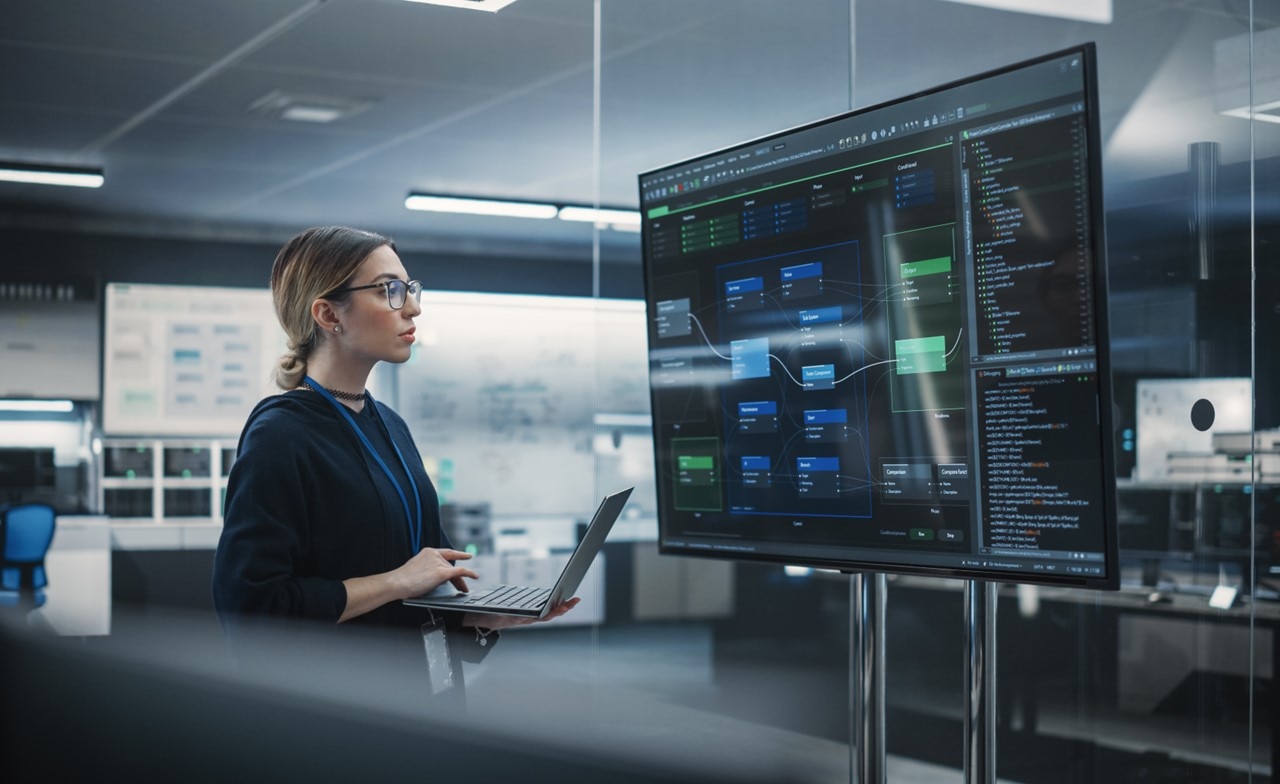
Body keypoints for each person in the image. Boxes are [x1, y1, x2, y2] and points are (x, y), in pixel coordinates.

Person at [212, 226, 577, 666]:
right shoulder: (280, 436)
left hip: (420, 690)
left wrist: (482, 616)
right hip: (340, 711)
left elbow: (425, 582)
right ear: (329, 315)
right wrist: (397, 582)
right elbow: (250, 610)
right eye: (391, 291)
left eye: (410, 289)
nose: (414, 308)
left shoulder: (389, 425)